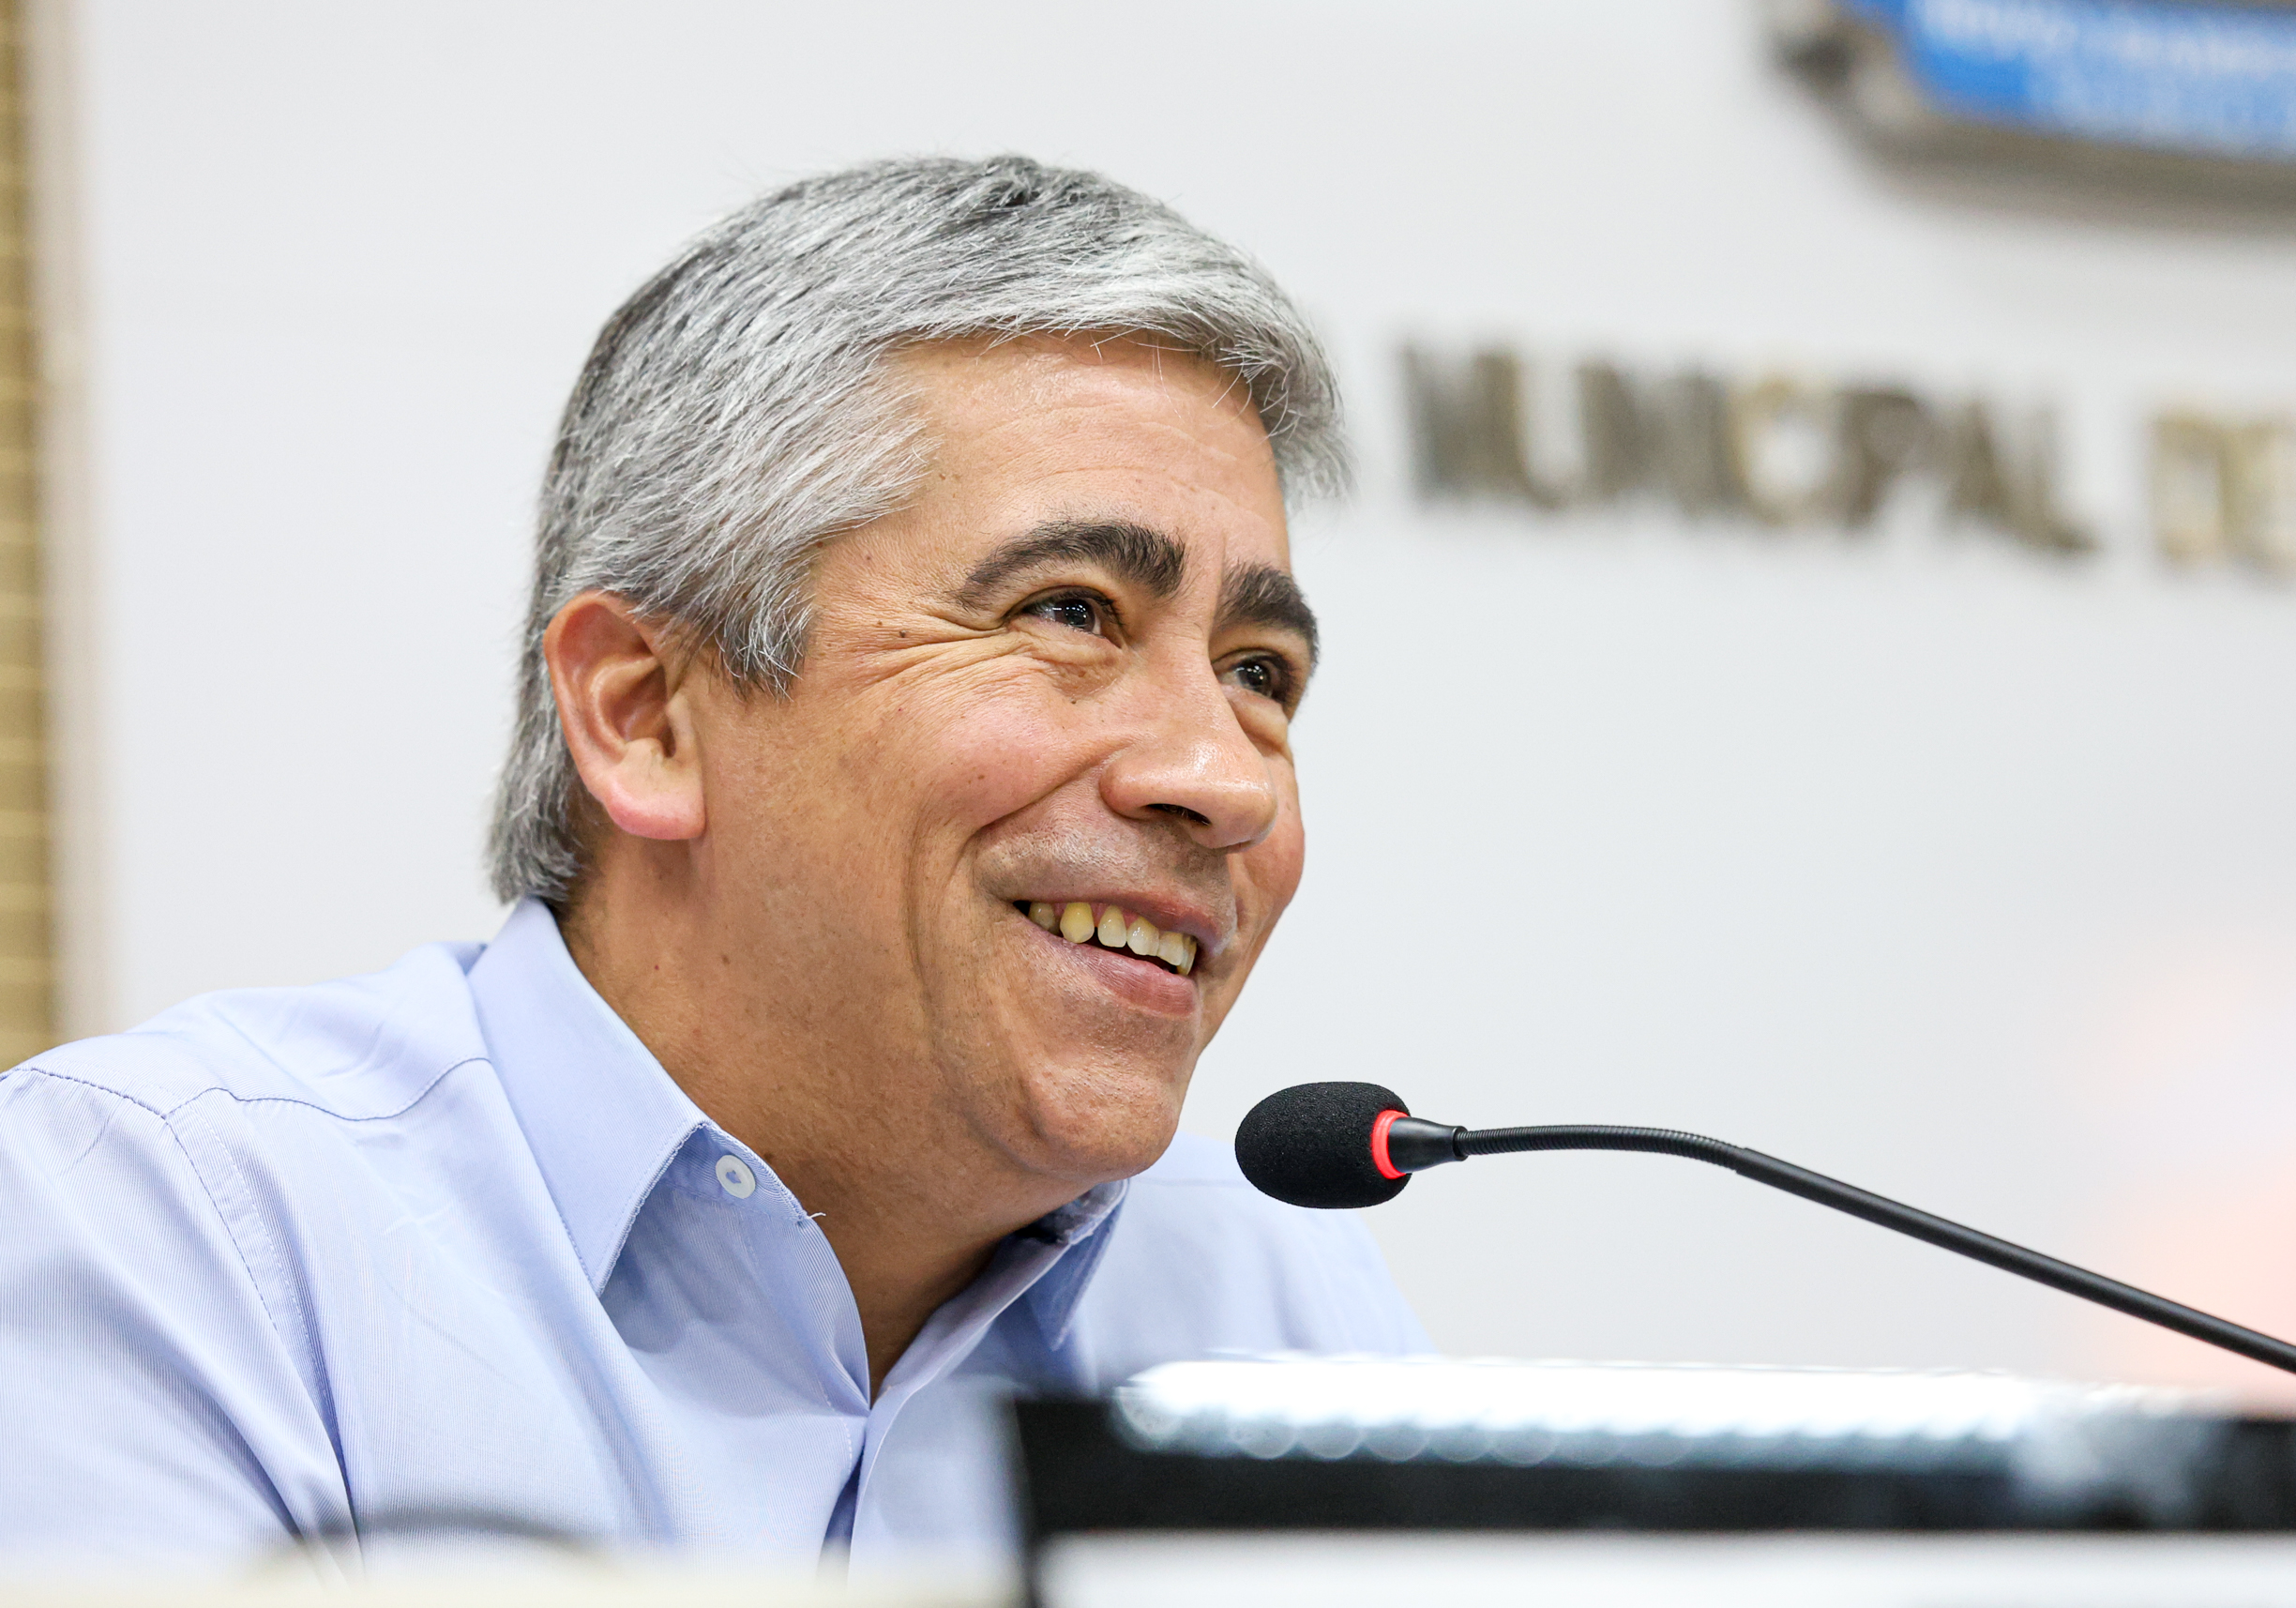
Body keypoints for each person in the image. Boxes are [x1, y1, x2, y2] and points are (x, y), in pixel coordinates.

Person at [0, 156, 1424, 1566]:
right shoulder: (171, 1226)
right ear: (646, 715)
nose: (1226, 780)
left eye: (1259, 672)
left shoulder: (1278, 1299)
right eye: (1069, 613)